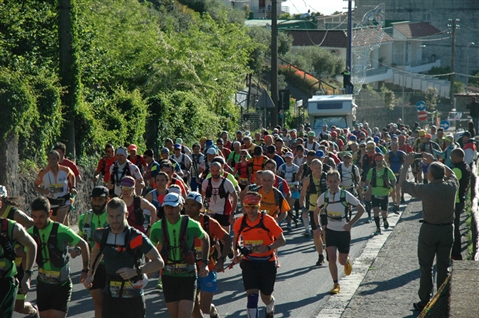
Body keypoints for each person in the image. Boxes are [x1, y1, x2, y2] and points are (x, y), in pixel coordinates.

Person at [84, 198, 164, 318]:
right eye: (111, 216)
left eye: (118, 216)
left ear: (126, 215)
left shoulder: (136, 237)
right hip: (110, 296)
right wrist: (90, 274)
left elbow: (159, 262)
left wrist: (136, 271)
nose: (114, 220)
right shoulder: (102, 235)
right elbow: (96, 251)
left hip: (133, 296)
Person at [398, 153, 458, 312]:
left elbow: (402, 183)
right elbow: (451, 174)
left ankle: (425, 300)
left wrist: (406, 164)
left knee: (426, 267)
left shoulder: (425, 189)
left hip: (429, 230)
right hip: (447, 229)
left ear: (430, 176)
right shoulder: (452, 186)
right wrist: (435, 162)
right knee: (444, 266)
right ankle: (443, 299)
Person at [149, 192, 210, 318]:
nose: (170, 210)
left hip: (188, 275)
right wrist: (149, 268)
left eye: (173, 206)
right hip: (168, 276)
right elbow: (149, 249)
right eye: (167, 206)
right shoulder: (156, 228)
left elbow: (205, 238)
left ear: (181, 206)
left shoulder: (192, 224)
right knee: (175, 315)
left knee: (184, 315)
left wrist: (205, 263)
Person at [28, 196, 90, 318]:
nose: (37, 221)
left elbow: (83, 244)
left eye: (41, 217)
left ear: (50, 213)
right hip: (43, 284)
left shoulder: (61, 230)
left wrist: (85, 270)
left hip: (61, 284)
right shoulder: (30, 233)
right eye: (34, 217)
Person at [233, 191, 286, 318]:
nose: (250, 210)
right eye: (247, 206)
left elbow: (282, 240)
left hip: (267, 262)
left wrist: (268, 247)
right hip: (249, 262)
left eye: (253, 207)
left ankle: (270, 305)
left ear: (259, 206)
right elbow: (236, 240)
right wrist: (236, 254)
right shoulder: (240, 222)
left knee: (265, 296)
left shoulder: (268, 220)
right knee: (251, 295)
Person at [314, 170, 365, 294]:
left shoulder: (345, 195)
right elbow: (316, 212)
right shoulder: (324, 196)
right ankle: (336, 284)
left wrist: (350, 224)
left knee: (341, 260)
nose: (332, 184)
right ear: (326, 182)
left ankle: (346, 261)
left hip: (343, 231)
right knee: (331, 258)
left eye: (335, 181)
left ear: (339, 181)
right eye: (330, 181)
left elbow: (361, 209)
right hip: (330, 231)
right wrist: (318, 226)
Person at [184, 192, 232, 318]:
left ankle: (212, 311)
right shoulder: (181, 222)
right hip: (187, 269)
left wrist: (221, 260)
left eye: (193, 205)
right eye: (187, 204)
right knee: (193, 307)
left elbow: (227, 239)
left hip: (207, 268)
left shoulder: (209, 222)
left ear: (200, 207)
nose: (189, 207)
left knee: (204, 307)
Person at [0, 186, 37, 317]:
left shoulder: (14, 215)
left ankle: (33, 311)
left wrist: (22, 245)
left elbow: (35, 225)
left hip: (18, 264)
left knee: (18, 307)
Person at [77, 186, 110, 318]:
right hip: (93, 268)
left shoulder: (113, 217)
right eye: (94, 199)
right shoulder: (84, 218)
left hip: (111, 266)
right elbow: (81, 240)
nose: (96, 202)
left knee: (112, 303)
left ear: (107, 200)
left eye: (100, 200)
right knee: (99, 304)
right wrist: (77, 250)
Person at [34, 150, 77, 225]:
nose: (51, 161)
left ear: (58, 159)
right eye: (49, 159)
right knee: (63, 224)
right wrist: (43, 191)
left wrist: (73, 187)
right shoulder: (43, 172)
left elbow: (72, 176)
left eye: (53, 159)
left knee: (58, 223)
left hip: (64, 200)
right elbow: (35, 185)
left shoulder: (65, 169)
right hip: (51, 202)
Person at [299, 159, 328, 265]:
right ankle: (321, 255)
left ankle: (327, 248)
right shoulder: (307, 180)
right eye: (315, 168)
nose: (318, 170)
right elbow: (302, 196)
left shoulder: (327, 177)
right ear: (311, 168)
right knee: (316, 232)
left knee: (325, 231)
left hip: (326, 208)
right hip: (313, 209)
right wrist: (303, 208)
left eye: (319, 167)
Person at [202, 162, 238, 233]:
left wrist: (232, 213)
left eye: (217, 171)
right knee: (211, 236)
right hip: (211, 212)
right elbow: (202, 196)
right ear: (210, 171)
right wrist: (202, 208)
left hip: (224, 213)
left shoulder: (227, 183)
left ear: (221, 171)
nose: (215, 173)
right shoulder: (206, 182)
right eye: (213, 171)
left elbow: (235, 196)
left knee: (225, 238)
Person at [364, 153, 396, 235]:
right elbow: (367, 180)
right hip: (375, 193)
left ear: (383, 161)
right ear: (375, 161)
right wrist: (366, 187)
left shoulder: (387, 170)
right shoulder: (372, 171)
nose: (379, 162)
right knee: (375, 211)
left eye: (380, 161)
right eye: (377, 161)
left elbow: (393, 179)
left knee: (384, 212)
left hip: (384, 193)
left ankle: (385, 219)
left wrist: (392, 186)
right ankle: (378, 228)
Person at [450, 148, 471, 260]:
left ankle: (455, 253)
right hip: (461, 199)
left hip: (456, 201)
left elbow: (449, 181)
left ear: (457, 157)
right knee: (456, 227)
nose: (451, 159)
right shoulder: (466, 166)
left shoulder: (457, 170)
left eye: (452, 157)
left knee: (455, 228)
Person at [385, 142, 405, 213]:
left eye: (396, 147)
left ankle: (398, 205)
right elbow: (384, 162)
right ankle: (394, 203)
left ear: (398, 147)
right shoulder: (388, 154)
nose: (394, 148)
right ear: (391, 147)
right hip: (392, 174)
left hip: (399, 173)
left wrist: (403, 169)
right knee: (393, 190)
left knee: (398, 190)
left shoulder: (401, 153)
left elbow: (406, 162)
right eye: (393, 147)